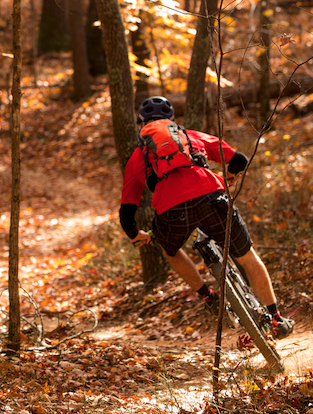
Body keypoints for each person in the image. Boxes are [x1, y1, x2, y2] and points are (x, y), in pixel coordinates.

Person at [119, 96, 294, 338]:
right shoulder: (191, 136)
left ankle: (207, 296)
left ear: (142, 126)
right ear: (172, 122)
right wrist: (229, 176)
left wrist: (134, 233)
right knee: (247, 256)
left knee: (169, 250)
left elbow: (127, 210)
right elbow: (238, 160)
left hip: (171, 212)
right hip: (211, 197)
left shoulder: (137, 157)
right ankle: (276, 319)